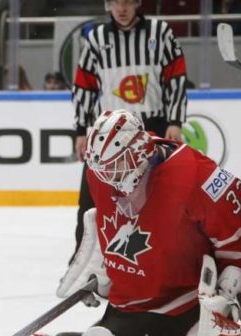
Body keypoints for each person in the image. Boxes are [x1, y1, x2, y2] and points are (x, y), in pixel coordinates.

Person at [32, 109, 241, 336]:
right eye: (102, 168)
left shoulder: (195, 175)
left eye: (115, 166)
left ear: (139, 153)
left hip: (187, 304)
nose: (108, 177)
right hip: (130, 306)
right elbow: (110, 222)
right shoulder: (100, 175)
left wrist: (229, 294)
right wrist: (102, 266)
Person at [71, 0, 187, 253]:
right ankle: (83, 253)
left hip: (151, 128)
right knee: (90, 197)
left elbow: (176, 78)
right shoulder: (96, 38)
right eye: (115, 2)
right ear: (108, 5)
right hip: (108, 132)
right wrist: (81, 130)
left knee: (160, 195)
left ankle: (162, 252)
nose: (121, 9)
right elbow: (84, 85)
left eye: (126, 2)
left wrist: (175, 121)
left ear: (136, 3)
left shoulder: (160, 32)